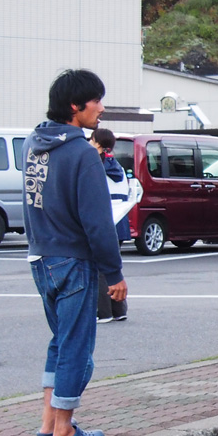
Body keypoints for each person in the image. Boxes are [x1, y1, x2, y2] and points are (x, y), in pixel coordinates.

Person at [23, 69, 127, 436]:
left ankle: (48, 421)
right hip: (73, 261)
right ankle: (64, 430)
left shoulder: (32, 145)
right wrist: (114, 273)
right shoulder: (82, 154)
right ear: (75, 106)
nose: (101, 108)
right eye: (96, 100)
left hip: (40, 256)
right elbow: (98, 222)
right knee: (77, 347)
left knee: (59, 341)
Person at [91, 127, 129, 323]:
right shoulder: (117, 165)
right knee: (113, 265)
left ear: (97, 142)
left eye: (91, 139)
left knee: (99, 268)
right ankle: (119, 309)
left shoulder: (95, 164)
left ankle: (102, 311)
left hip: (105, 219)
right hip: (121, 219)